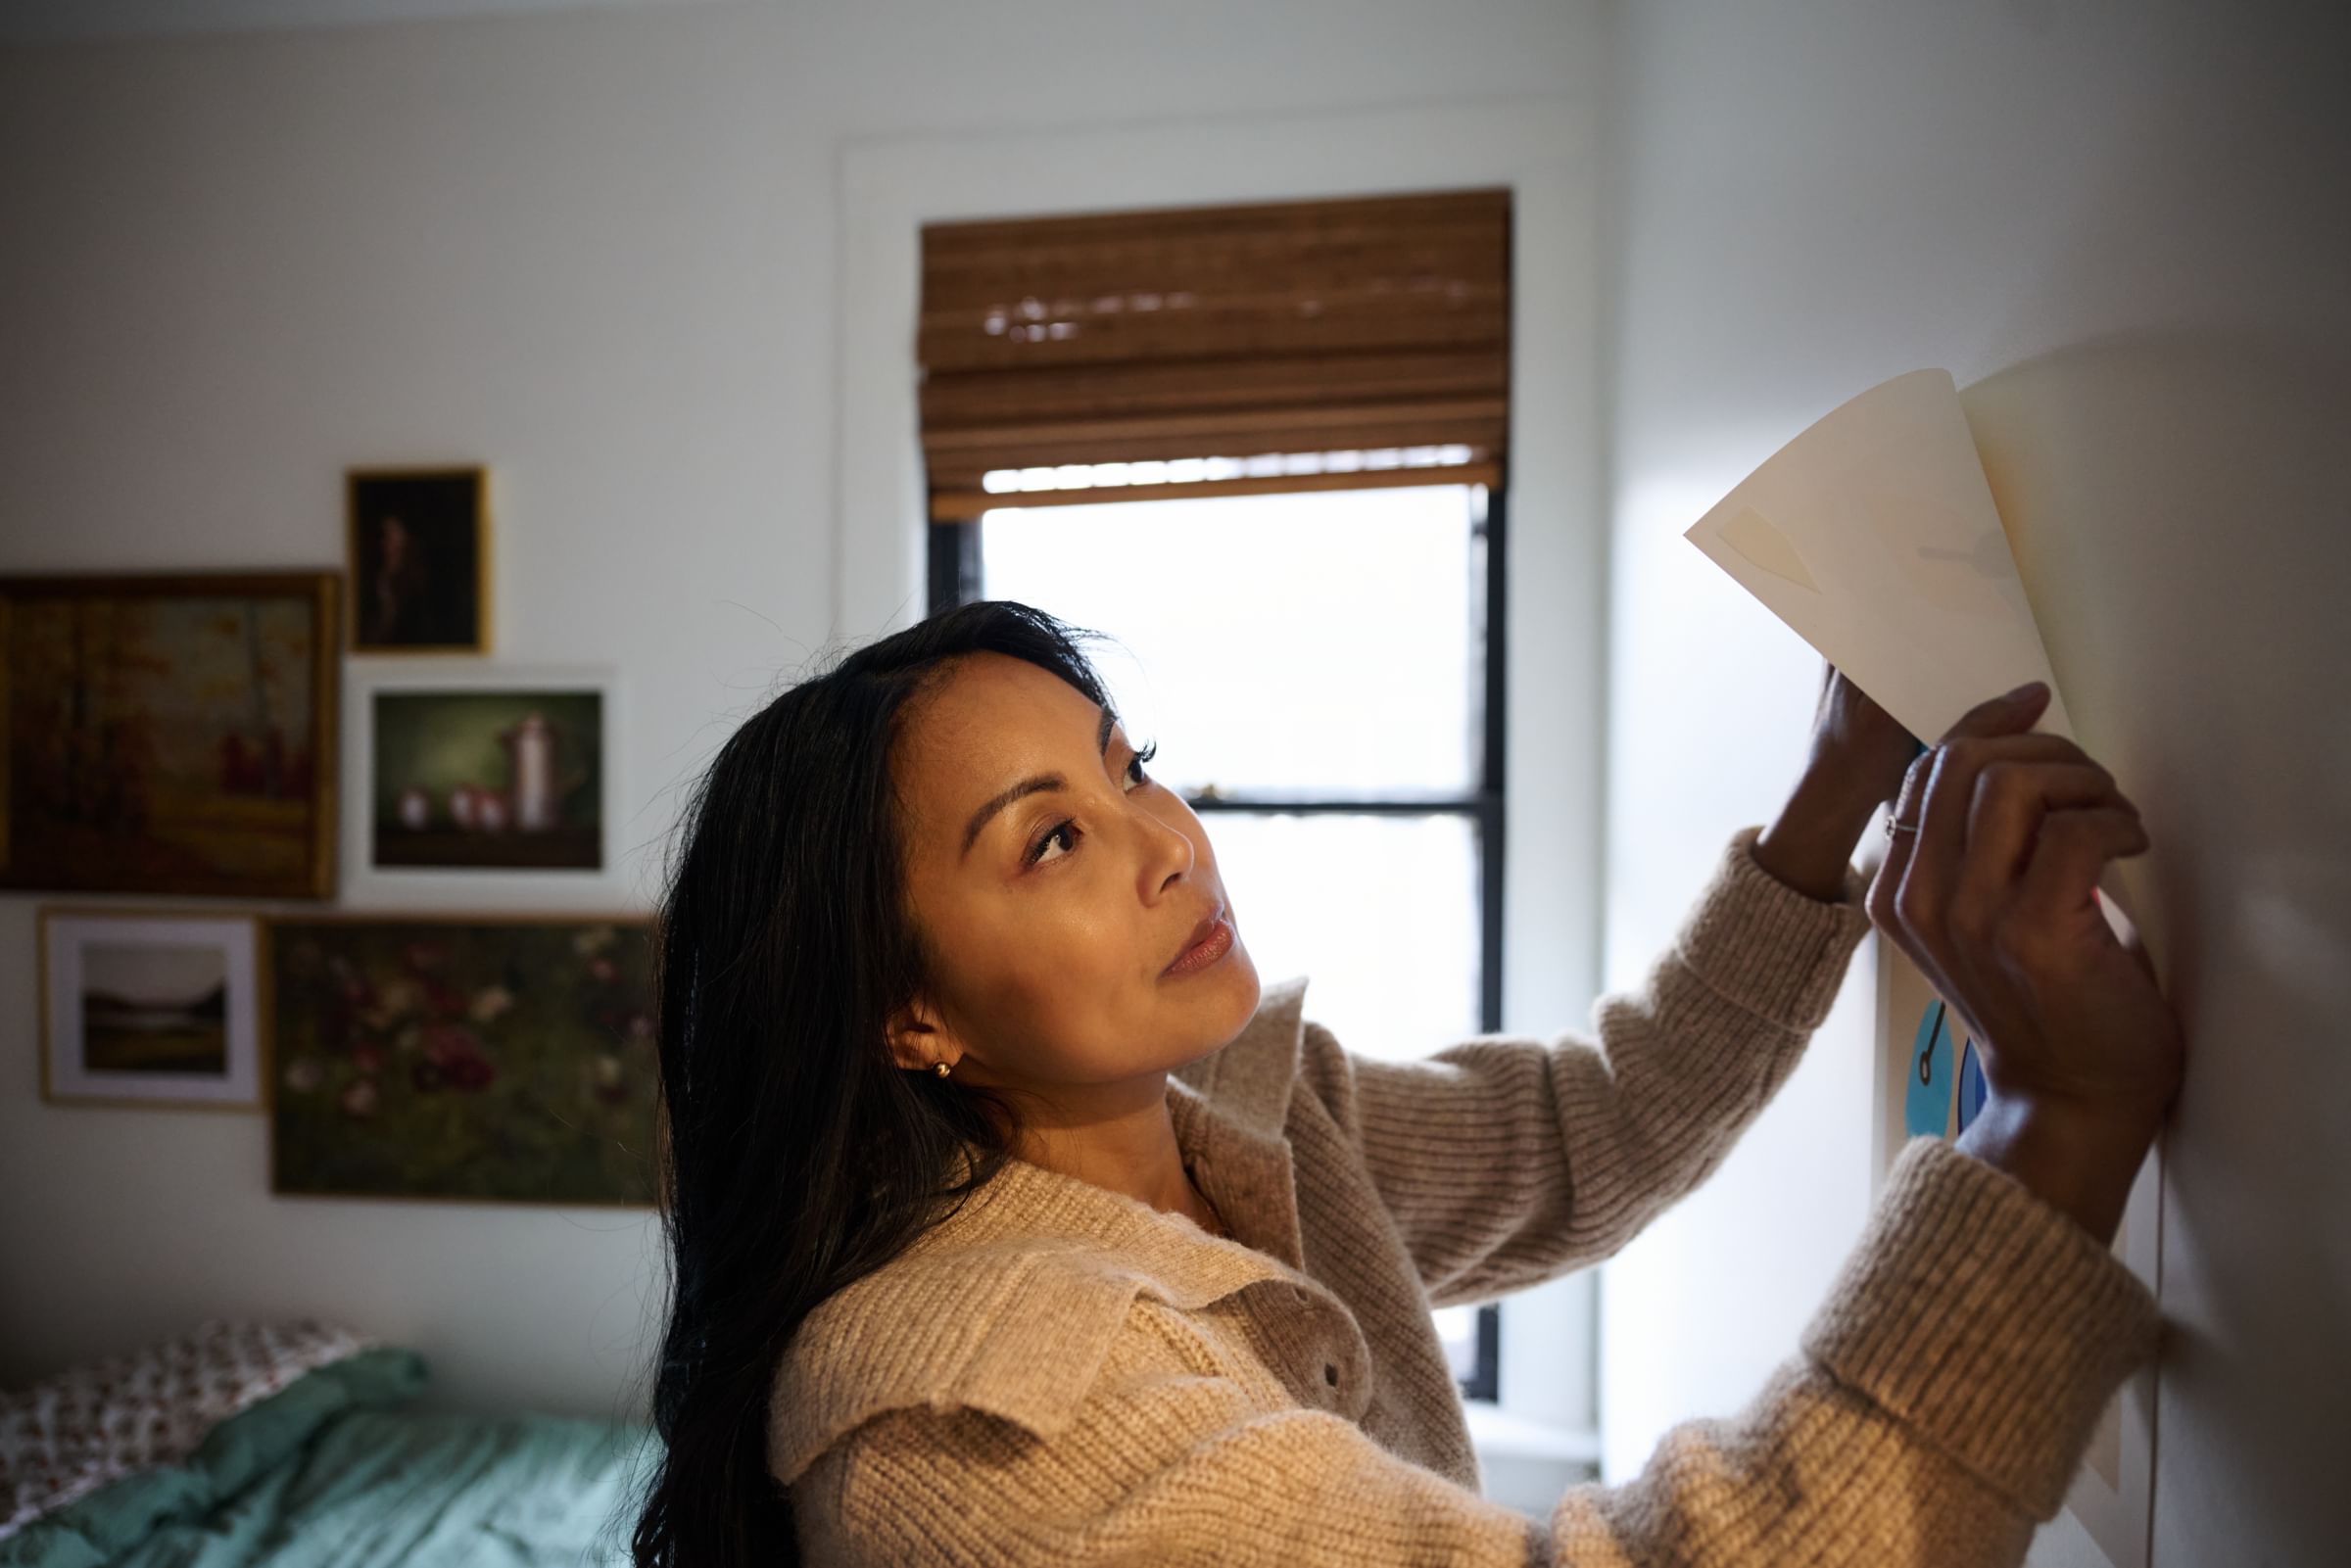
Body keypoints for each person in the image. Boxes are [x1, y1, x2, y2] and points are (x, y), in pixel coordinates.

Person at [623, 598, 2182, 1565]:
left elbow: (1592, 1130)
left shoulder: (1244, 1121)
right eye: (1054, 838)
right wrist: (2059, 1121)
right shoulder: (978, 1429)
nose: (1169, 841)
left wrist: (1837, 786)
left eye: (1129, 763)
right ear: (907, 1017)